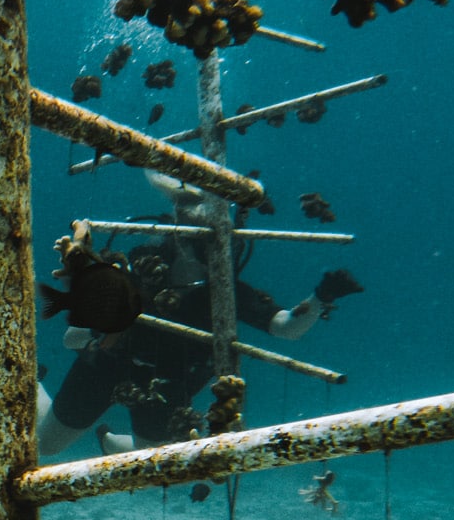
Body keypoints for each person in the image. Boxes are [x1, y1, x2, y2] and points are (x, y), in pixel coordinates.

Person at [36, 178, 364, 457]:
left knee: (154, 461)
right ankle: (35, 379)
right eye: (187, 239)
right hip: (107, 365)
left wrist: (321, 297)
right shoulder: (138, 269)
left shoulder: (224, 291)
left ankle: (108, 440)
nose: (192, 253)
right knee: (47, 444)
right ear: (172, 234)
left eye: (204, 244)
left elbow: (287, 328)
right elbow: (73, 339)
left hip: (169, 383)